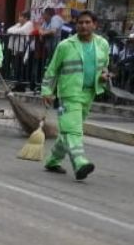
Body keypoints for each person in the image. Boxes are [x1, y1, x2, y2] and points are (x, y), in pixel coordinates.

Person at [41, 10, 110, 181]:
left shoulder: (102, 44)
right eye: (80, 23)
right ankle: (79, 162)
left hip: (89, 93)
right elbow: (52, 70)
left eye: (87, 22)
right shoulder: (65, 45)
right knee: (73, 130)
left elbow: (104, 67)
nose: (83, 26)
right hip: (68, 94)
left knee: (67, 130)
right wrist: (47, 91)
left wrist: (103, 76)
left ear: (95, 25)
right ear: (76, 25)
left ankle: (53, 160)